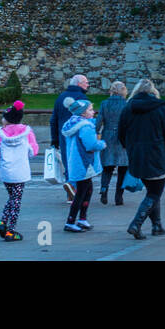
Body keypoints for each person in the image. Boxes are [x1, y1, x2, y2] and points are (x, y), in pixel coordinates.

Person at [118, 78, 165, 239]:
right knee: (154, 194)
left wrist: (131, 148)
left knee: (152, 192)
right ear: (153, 91)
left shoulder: (128, 108)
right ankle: (136, 224)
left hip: (138, 156)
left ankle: (157, 225)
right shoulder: (161, 109)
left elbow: (121, 133)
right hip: (158, 156)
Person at [0, 100, 38, 241]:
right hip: (20, 171)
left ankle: (3, 221)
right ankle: (10, 230)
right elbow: (33, 151)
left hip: (5, 171)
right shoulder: (27, 132)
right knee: (16, 200)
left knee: (12, 197)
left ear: (8, 120)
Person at [61, 98, 105, 232]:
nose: (93, 112)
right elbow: (91, 144)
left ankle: (82, 218)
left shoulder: (72, 123)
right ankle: (71, 221)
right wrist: (102, 144)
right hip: (85, 163)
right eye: (90, 109)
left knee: (86, 189)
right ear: (82, 113)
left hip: (76, 162)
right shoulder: (85, 126)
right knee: (82, 192)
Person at [50, 73, 89, 196]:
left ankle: (70, 189)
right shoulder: (82, 99)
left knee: (68, 163)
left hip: (63, 136)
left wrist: (54, 139)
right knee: (79, 163)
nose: (88, 84)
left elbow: (53, 120)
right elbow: (87, 118)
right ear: (79, 84)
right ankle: (75, 189)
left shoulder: (61, 97)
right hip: (79, 137)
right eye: (86, 82)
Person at [96, 81, 129, 206]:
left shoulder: (105, 103)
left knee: (107, 167)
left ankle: (104, 189)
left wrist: (95, 133)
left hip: (108, 135)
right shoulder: (126, 104)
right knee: (123, 168)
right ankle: (119, 196)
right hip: (123, 136)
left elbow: (98, 122)